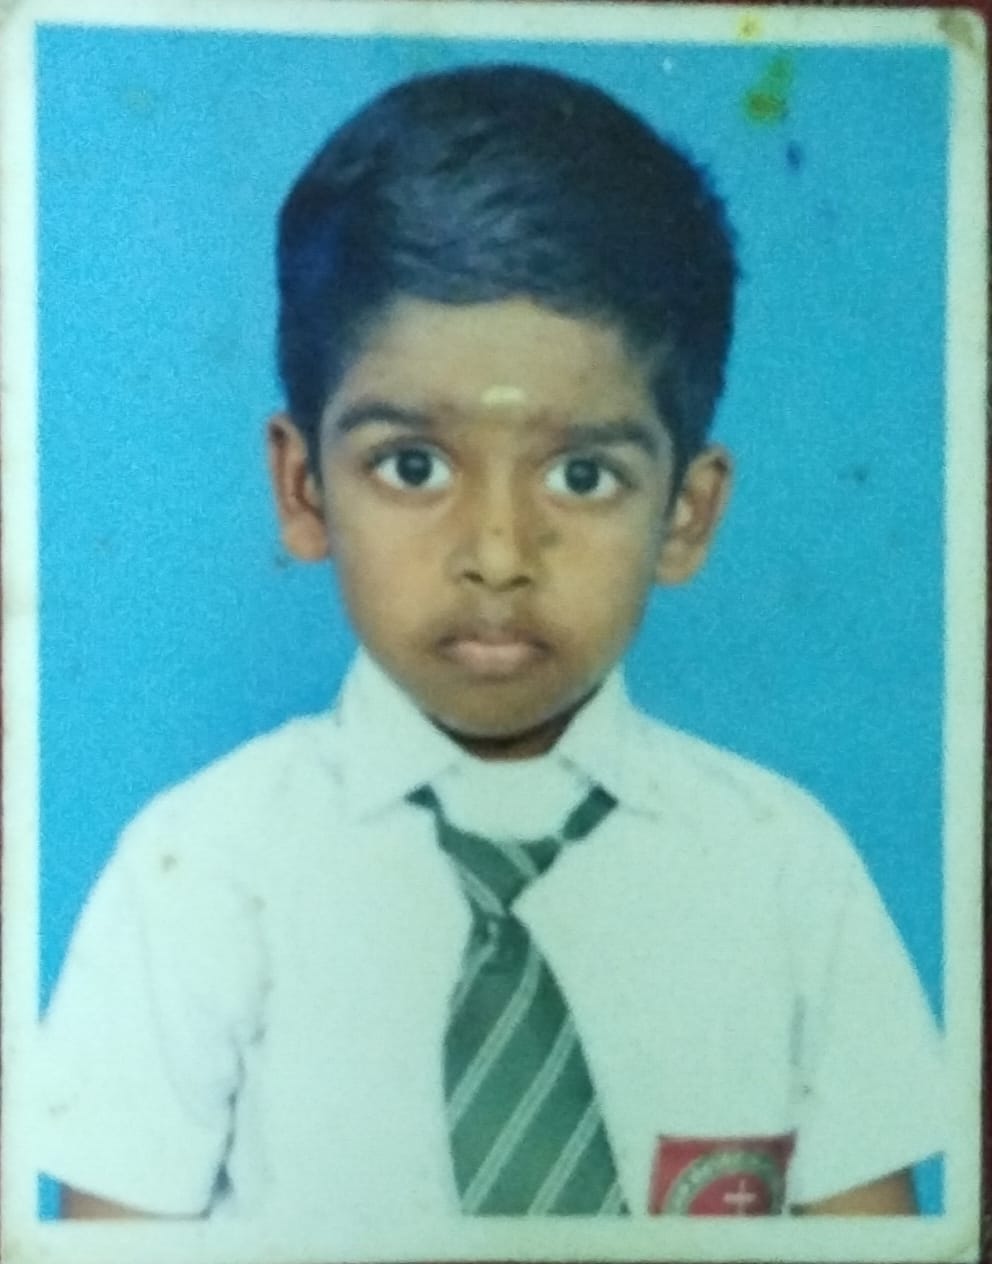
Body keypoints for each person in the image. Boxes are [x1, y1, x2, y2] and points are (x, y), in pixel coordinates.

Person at [40, 63, 942, 1225]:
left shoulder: (783, 871)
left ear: (685, 513)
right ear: (303, 488)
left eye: (583, 475)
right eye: (412, 465)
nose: (499, 553)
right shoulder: (198, 874)